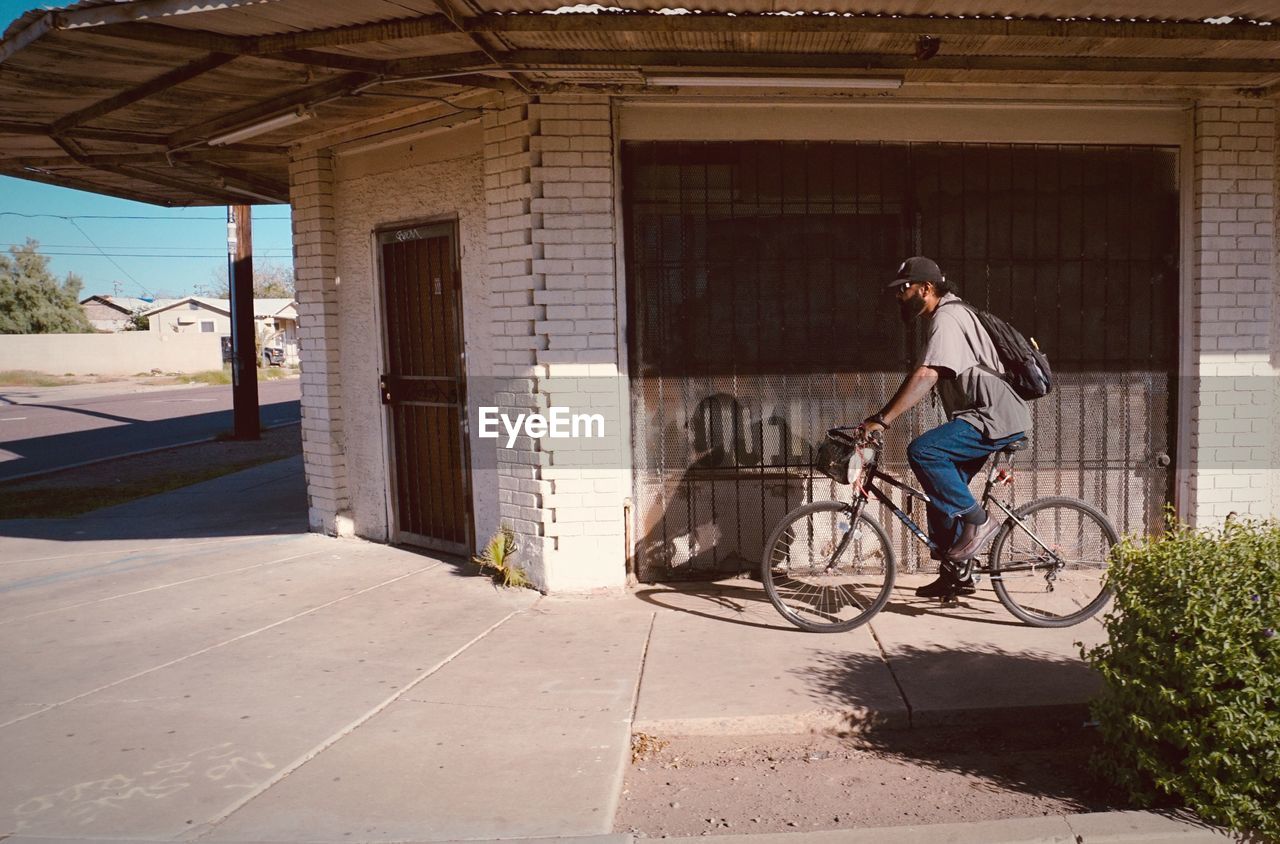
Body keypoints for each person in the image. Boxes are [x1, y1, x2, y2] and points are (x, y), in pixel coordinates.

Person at [860, 257, 1032, 599]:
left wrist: (883, 418)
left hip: (993, 415)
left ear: (925, 289)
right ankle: (957, 574)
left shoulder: (948, 317)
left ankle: (979, 523)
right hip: (982, 416)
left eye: (905, 288)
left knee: (923, 451)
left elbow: (928, 374)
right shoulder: (946, 317)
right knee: (940, 495)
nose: (899, 296)